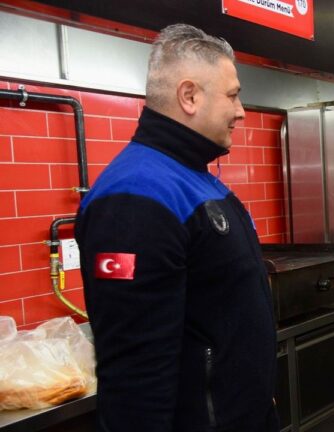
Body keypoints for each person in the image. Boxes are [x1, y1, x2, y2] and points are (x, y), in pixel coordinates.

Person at [75, 24, 278, 431]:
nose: (241, 111)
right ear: (189, 96)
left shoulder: (192, 177)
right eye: (233, 95)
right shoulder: (135, 197)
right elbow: (136, 376)